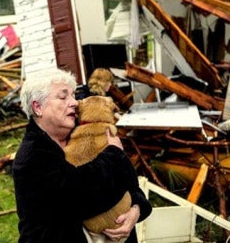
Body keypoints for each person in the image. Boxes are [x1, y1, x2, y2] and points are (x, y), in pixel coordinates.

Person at [12, 68, 151, 243]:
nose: (75, 103)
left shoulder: (87, 133)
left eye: (73, 95)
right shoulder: (32, 157)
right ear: (38, 107)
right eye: (63, 97)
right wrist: (114, 154)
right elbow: (82, 196)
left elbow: (131, 183)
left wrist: (136, 209)